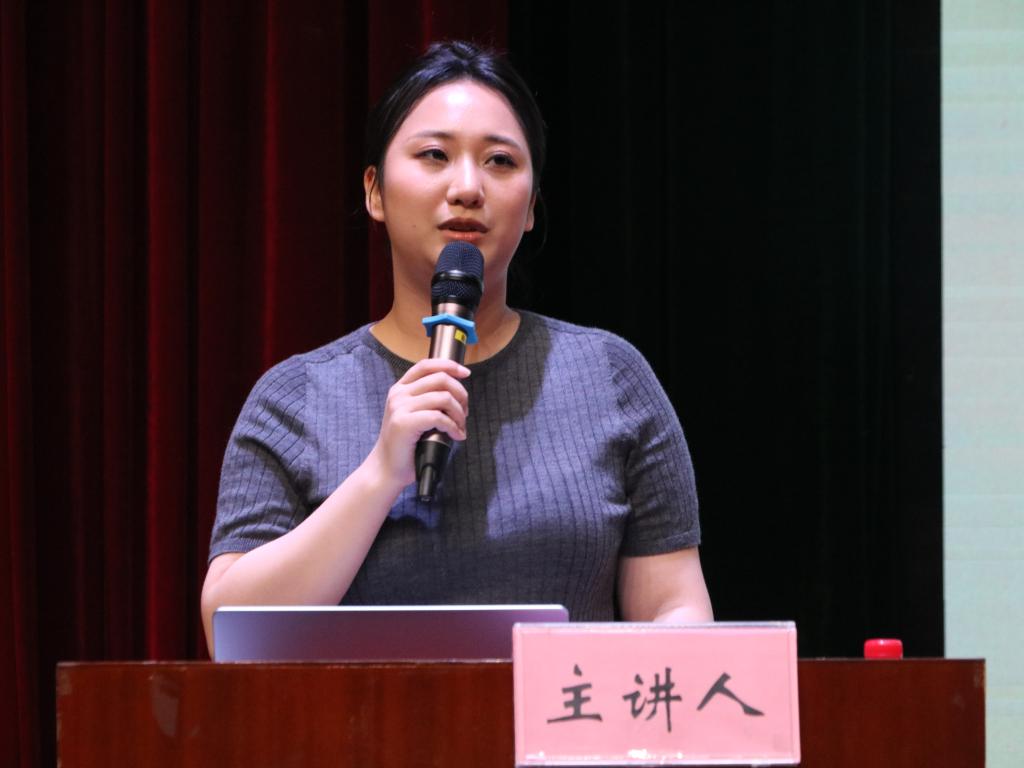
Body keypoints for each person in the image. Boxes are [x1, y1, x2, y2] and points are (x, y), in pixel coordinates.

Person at [201, 41, 712, 653]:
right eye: (435, 155)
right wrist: (380, 475)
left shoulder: (610, 376)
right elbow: (230, 630)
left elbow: (675, 606)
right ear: (375, 192)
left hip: (566, 717)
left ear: (531, 207)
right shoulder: (295, 397)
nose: (468, 187)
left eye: (500, 161)